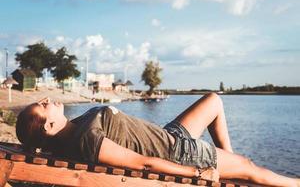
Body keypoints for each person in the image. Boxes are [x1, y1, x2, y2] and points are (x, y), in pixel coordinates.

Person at [16, 93, 299, 187]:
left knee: (213, 100)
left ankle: (231, 166)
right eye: (42, 106)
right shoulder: (86, 139)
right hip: (178, 153)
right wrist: (197, 172)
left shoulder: (75, 127)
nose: (46, 100)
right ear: (48, 126)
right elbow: (144, 163)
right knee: (252, 168)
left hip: (168, 135)